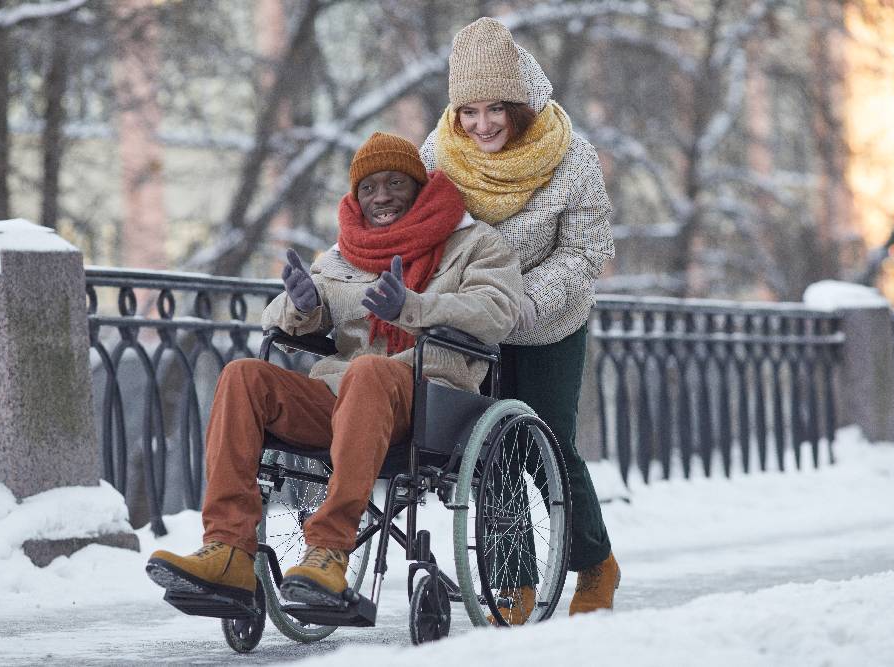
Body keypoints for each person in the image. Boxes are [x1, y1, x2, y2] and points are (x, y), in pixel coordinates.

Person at [146, 131, 521, 608]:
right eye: (368, 188)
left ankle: (329, 550)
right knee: (243, 376)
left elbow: (498, 313)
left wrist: (414, 306)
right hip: (342, 397)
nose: (380, 197)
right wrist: (302, 306)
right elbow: (278, 315)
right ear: (356, 197)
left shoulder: (473, 243)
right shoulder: (345, 255)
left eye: (393, 184)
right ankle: (228, 552)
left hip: (430, 398)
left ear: (419, 186)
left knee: (368, 370)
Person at [420, 17, 618, 621]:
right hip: (470, 321)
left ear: (517, 105)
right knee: (485, 447)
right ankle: (513, 577)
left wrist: (523, 302)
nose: (481, 126)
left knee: (547, 443)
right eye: (469, 112)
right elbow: (417, 233)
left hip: (547, 319)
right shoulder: (438, 157)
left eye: (494, 110)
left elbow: (589, 251)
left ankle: (596, 562)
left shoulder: (568, 156)